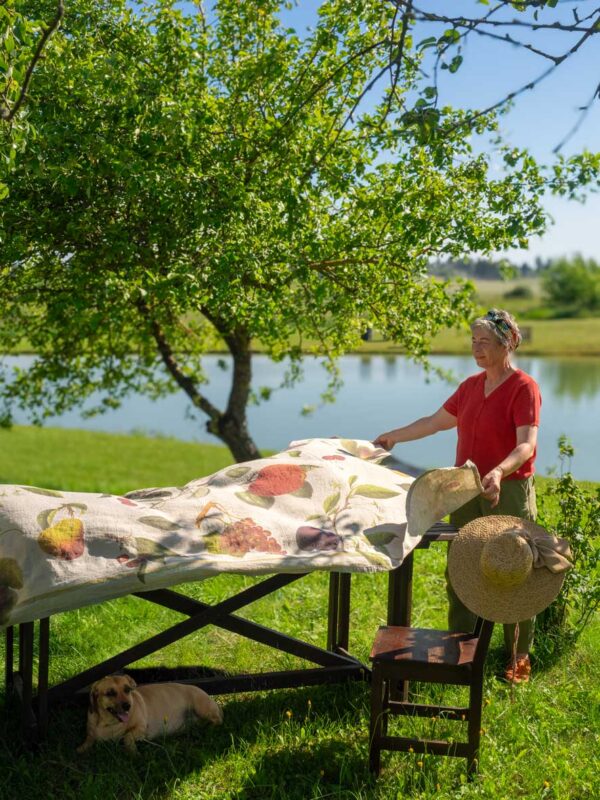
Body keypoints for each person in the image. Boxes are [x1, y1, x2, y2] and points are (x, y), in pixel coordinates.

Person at [374, 308, 541, 683]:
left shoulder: (523, 387)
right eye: (473, 341)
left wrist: (499, 471)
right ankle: (460, 651)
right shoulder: (469, 387)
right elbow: (434, 422)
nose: (476, 348)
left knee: (515, 570)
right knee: (463, 568)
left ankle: (518, 657)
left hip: (509, 490)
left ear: (506, 344)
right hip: (467, 489)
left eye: (484, 342)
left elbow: (527, 445)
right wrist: (394, 436)